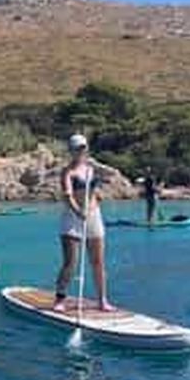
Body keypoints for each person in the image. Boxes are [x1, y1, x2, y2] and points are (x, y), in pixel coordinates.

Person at [53, 133, 114, 312]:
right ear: (70, 151)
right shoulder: (67, 172)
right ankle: (59, 298)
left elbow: (111, 174)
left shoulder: (91, 168)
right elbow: (67, 195)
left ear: (86, 149)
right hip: (72, 218)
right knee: (71, 261)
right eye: (76, 149)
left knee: (98, 262)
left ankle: (102, 300)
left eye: (82, 148)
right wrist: (78, 212)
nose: (79, 151)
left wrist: (97, 165)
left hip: (94, 215)